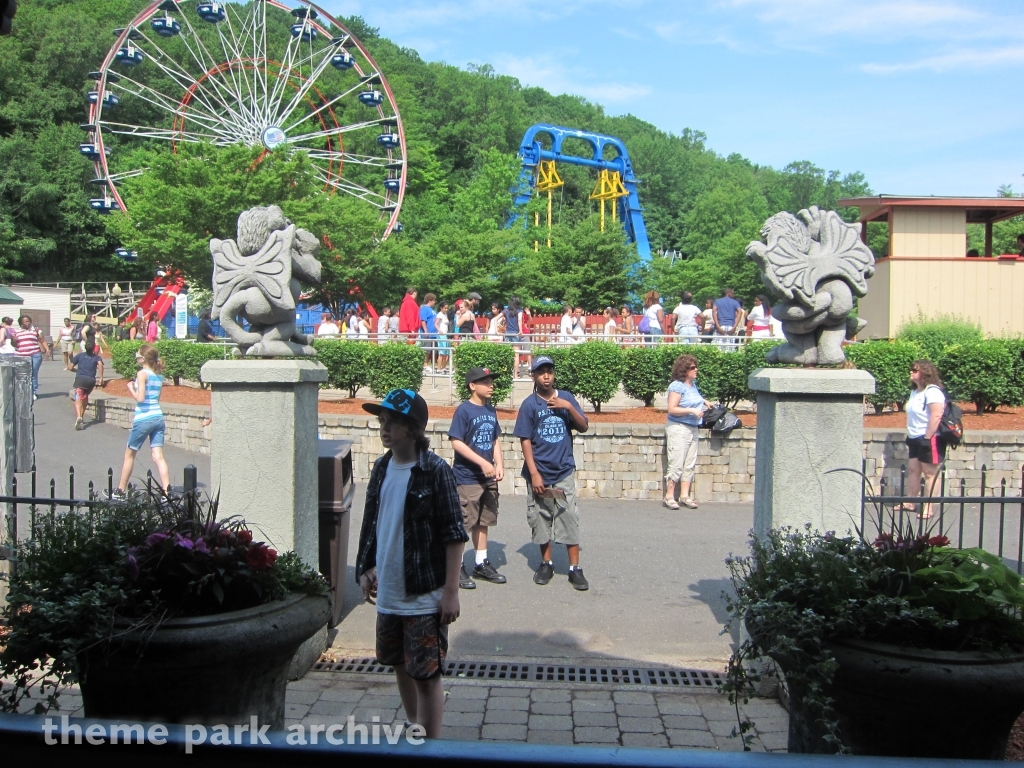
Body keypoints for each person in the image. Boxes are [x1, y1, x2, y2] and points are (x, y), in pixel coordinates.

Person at [356, 388, 468, 739]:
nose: (384, 428)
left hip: (423, 593)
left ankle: (430, 744)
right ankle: (414, 726)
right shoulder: (382, 467)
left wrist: (451, 592)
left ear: (415, 429)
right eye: (382, 421)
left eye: (393, 422)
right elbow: (374, 521)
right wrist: (366, 567)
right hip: (389, 591)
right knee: (399, 665)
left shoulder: (435, 471)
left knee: (426, 674)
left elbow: (454, 533)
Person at [513, 355, 590, 590]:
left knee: (568, 517)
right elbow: (525, 440)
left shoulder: (566, 398)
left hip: (563, 470)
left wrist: (567, 407)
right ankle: (546, 563)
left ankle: (574, 568)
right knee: (541, 516)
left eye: (550, 371)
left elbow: (584, 426)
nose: (546, 376)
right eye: (541, 372)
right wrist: (534, 473)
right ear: (533, 376)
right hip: (540, 472)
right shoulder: (529, 405)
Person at [449, 367, 506, 589]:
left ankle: (481, 563)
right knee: (465, 522)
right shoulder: (464, 411)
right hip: (467, 477)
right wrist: (482, 462)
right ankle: (457, 567)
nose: (490, 385)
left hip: (488, 478)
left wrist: (498, 463)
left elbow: (494, 440)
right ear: (472, 386)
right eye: (485, 382)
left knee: (484, 520)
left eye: (491, 381)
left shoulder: (490, 410)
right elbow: (456, 441)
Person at [111, 344, 171, 499]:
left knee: (130, 454)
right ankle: (167, 491)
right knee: (158, 456)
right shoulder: (158, 376)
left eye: (138, 355)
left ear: (143, 358)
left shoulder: (142, 374)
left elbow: (141, 398)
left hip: (144, 418)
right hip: (157, 417)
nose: (136, 357)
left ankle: (121, 490)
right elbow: (156, 399)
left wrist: (131, 388)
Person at [664, 354, 713, 510]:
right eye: (692, 368)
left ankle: (684, 495)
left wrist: (705, 402)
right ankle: (669, 496)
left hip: (693, 428)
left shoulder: (693, 385)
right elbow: (672, 408)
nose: (696, 369)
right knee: (676, 462)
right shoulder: (677, 386)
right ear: (684, 370)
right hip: (679, 428)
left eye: (696, 366)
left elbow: (694, 398)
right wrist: (691, 410)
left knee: (689, 464)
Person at [903, 360, 947, 519]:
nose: (911, 372)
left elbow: (936, 415)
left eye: (915, 370)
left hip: (929, 437)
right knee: (914, 470)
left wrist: (928, 437)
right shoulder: (915, 392)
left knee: (930, 473)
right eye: (911, 370)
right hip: (914, 436)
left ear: (925, 373)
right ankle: (910, 502)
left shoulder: (933, 392)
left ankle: (928, 507)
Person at [11, 315, 48, 399]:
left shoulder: (36, 330)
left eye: (28, 321)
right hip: (20, 356)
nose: (27, 323)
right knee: (21, 375)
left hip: (35, 354)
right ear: (21, 323)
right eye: (25, 321)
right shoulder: (16, 332)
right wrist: (13, 339)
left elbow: (42, 340)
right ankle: (21, 392)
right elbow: (14, 344)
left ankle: (33, 392)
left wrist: (47, 349)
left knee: (33, 374)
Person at [70, 342, 104, 431]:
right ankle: (82, 416)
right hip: (90, 380)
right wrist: (101, 378)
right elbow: (100, 364)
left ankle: (79, 416)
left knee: (78, 397)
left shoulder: (80, 356)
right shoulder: (97, 357)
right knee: (85, 396)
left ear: (85, 348)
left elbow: (70, 367)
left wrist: (75, 370)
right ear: (93, 349)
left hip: (80, 379)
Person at [419, 293, 439, 367]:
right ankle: (425, 365)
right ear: (430, 300)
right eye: (434, 300)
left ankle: (430, 364)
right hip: (428, 333)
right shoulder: (424, 308)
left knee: (432, 351)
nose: (434, 302)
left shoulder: (431, 309)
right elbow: (423, 320)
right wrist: (426, 330)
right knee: (426, 350)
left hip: (434, 334)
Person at [434, 302, 450, 373]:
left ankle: (443, 367)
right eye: (445, 308)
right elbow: (436, 324)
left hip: (445, 335)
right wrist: (439, 330)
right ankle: (438, 368)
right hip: (441, 335)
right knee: (441, 352)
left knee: (446, 352)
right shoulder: (440, 315)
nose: (446, 309)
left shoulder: (445, 314)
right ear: (441, 308)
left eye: (447, 308)